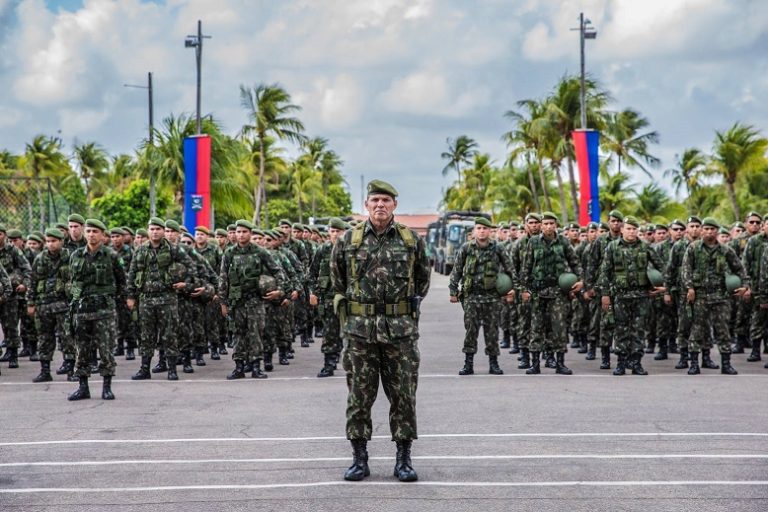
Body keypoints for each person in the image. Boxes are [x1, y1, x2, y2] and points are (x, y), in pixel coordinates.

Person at [331, 180, 430, 482]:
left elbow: (422, 281)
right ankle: (359, 459)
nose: (380, 205)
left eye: (386, 200)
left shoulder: (412, 240)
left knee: (403, 396)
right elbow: (338, 282)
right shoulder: (348, 240)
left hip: (400, 333)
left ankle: (404, 459)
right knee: (359, 397)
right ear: (366, 205)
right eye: (374, 200)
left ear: (394, 205)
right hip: (360, 334)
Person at [598, 216, 666, 375]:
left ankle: (636, 363)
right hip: (620, 296)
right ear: (622, 230)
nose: (631, 231)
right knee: (620, 330)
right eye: (628, 228)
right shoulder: (612, 247)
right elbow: (605, 272)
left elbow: (662, 266)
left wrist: (663, 286)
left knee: (638, 330)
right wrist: (605, 295)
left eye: (634, 229)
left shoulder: (645, 247)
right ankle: (621, 363)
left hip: (641, 296)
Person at [449, 217, 516, 375]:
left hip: (492, 297)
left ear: (490, 231)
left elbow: (510, 269)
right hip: (471, 297)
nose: (482, 231)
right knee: (471, 331)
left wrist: (513, 289)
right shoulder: (466, 248)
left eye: (485, 228)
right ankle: (468, 363)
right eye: (479, 228)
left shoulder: (498, 248)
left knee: (492, 331)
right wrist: (453, 291)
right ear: (474, 231)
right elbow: (457, 270)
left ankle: (494, 363)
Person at [67, 219, 126, 400]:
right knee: (82, 349)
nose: (91, 235)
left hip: (104, 311)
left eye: (95, 231)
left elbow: (122, 282)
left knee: (106, 349)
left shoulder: (111, 256)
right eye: (89, 231)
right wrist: (74, 302)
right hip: (83, 310)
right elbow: (73, 282)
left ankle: (106, 387)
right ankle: (83, 387)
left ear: (102, 235)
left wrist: (115, 302)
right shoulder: (76, 256)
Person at [219, 220, 285, 379]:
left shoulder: (260, 252)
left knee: (256, 333)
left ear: (250, 233)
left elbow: (277, 271)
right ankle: (239, 367)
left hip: (255, 300)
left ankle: (256, 367)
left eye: (244, 232)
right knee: (238, 334)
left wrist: (279, 290)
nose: (241, 235)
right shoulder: (229, 253)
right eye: (238, 232)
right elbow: (223, 277)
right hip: (236, 301)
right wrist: (223, 302)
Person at [682, 218, 749, 375]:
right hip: (700, 296)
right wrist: (689, 288)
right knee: (697, 329)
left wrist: (744, 286)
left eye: (712, 229)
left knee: (723, 330)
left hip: (720, 296)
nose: (709, 232)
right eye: (706, 229)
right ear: (702, 230)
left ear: (717, 231)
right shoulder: (693, 248)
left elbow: (740, 269)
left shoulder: (725, 250)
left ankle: (726, 363)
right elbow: (686, 270)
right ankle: (693, 363)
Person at [520, 212, 583, 375]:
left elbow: (575, 263)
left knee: (559, 327)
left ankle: (560, 363)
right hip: (538, 292)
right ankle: (535, 364)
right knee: (536, 327)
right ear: (541, 225)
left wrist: (581, 280)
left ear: (556, 225)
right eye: (545, 223)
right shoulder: (533, 242)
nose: (548, 226)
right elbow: (526, 268)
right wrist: (524, 289)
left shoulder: (563, 242)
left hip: (558, 292)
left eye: (551, 224)